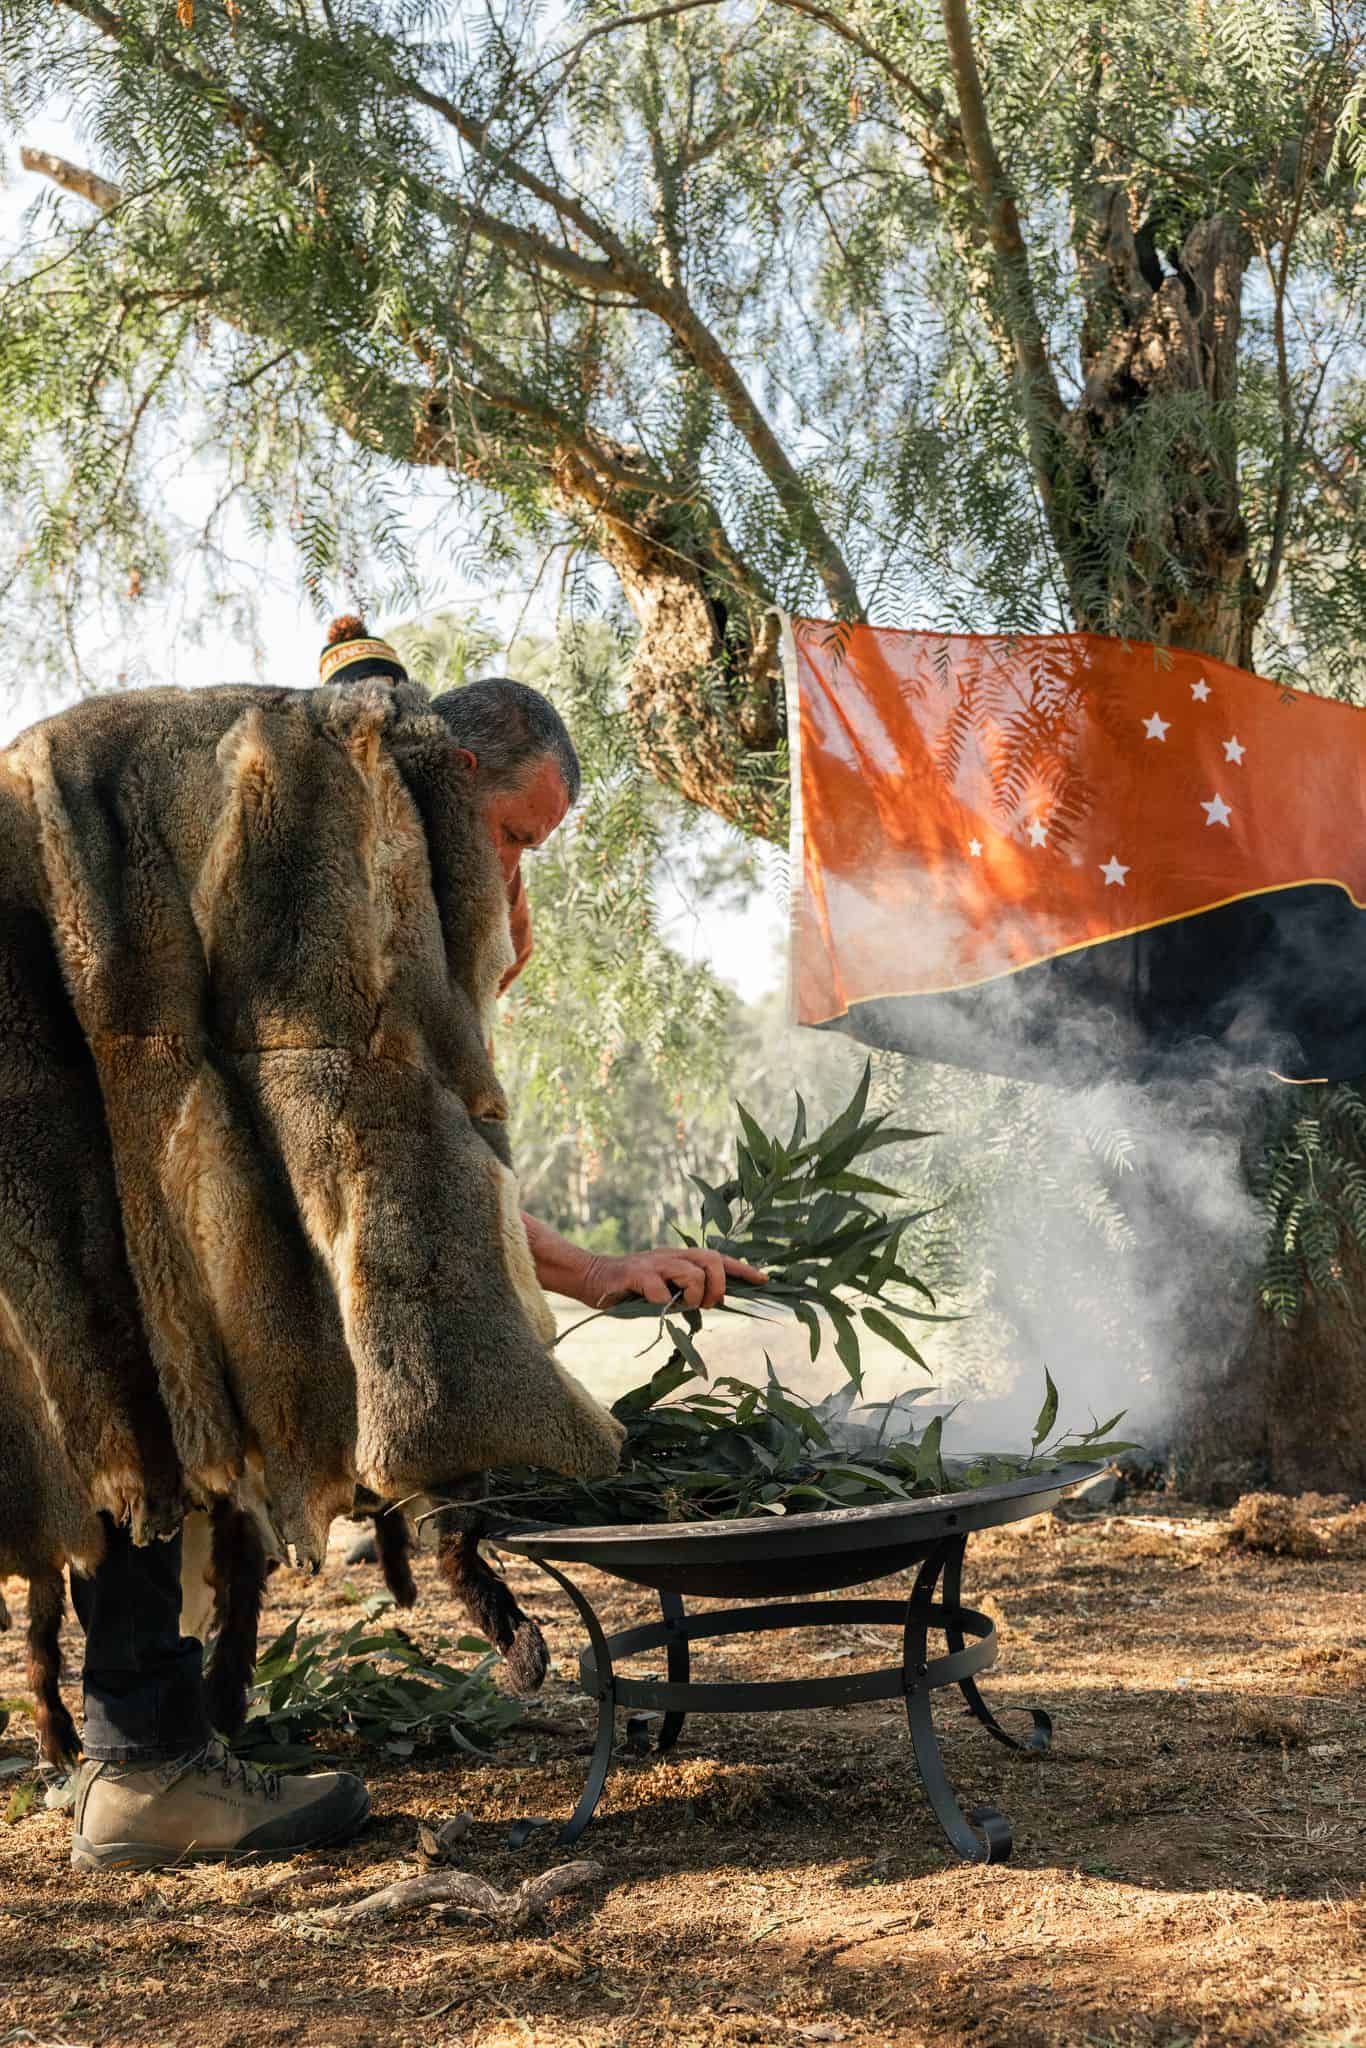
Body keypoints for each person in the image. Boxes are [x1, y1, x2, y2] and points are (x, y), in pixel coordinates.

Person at [70, 622, 761, 1871]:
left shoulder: (311, 793)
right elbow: (386, 1152)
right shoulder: (340, 841)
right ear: (456, 780)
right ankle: (143, 1770)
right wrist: (575, 1290)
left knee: (149, 1348)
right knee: (149, 1360)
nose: (512, 887)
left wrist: (581, 1265)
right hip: (63, 1062)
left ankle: (142, 1751)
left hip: (75, 1054)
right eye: (513, 840)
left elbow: (389, 1136)